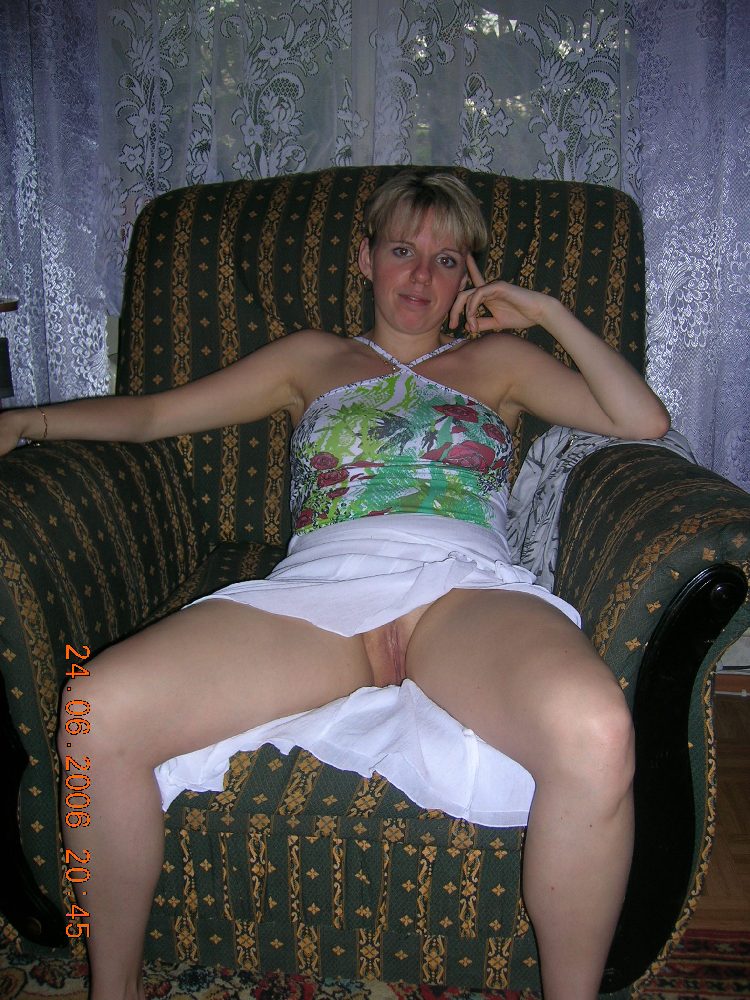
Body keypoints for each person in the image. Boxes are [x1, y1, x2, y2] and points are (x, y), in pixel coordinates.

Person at [0, 172, 670, 1000]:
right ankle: (116, 989)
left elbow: (643, 420)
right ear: (365, 258)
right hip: (320, 593)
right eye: (402, 250)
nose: (420, 276)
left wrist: (549, 314)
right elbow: (151, 416)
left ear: (470, 277)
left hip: (464, 590)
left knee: (596, 731)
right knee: (92, 712)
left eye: (447, 260)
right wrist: (26, 422)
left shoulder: (501, 362)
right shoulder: (310, 359)